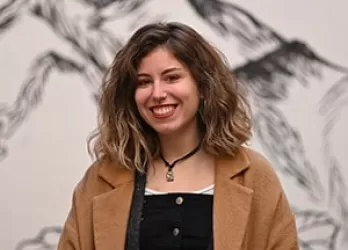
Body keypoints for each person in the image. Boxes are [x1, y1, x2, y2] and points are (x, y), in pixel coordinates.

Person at [57, 22, 299, 250]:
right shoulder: (100, 180)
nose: (158, 93)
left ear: (203, 86)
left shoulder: (254, 176)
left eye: (172, 77)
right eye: (143, 82)